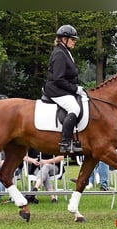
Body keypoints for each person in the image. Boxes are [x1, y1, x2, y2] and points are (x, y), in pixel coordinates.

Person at [43, 24, 83, 153]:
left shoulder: (66, 52)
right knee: (74, 108)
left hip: (62, 89)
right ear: (64, 39)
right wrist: (75, 89)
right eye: (72, 39)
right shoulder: (60, 54)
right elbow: (58, 79)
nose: (74, 41)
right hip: (56, 89)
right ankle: (65, 143)